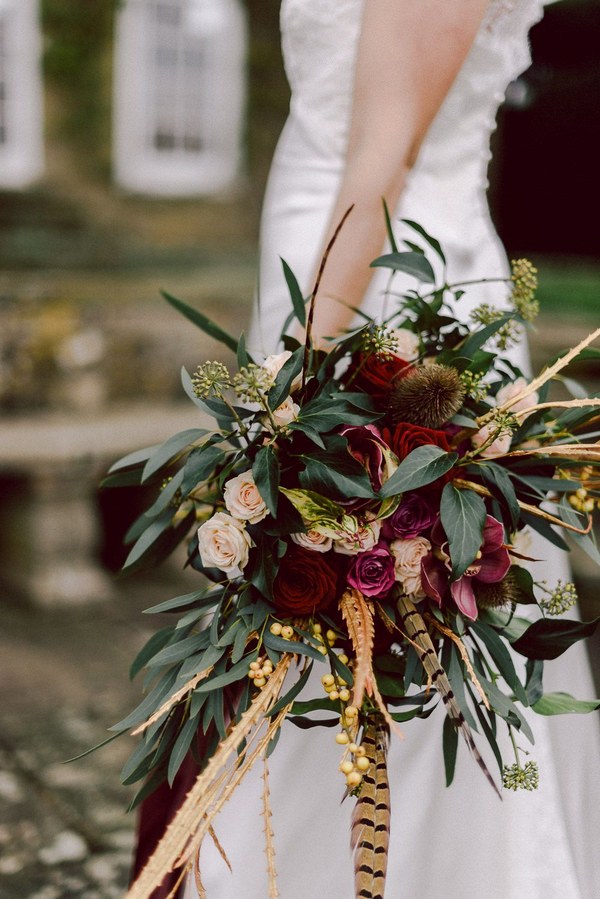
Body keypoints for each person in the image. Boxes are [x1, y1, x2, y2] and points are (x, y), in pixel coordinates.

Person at [174, 1, 600, 896]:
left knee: (405, 615)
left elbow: (385, 157)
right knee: (330, 623)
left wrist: (292, 392)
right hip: (336, 260)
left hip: (379, 292)